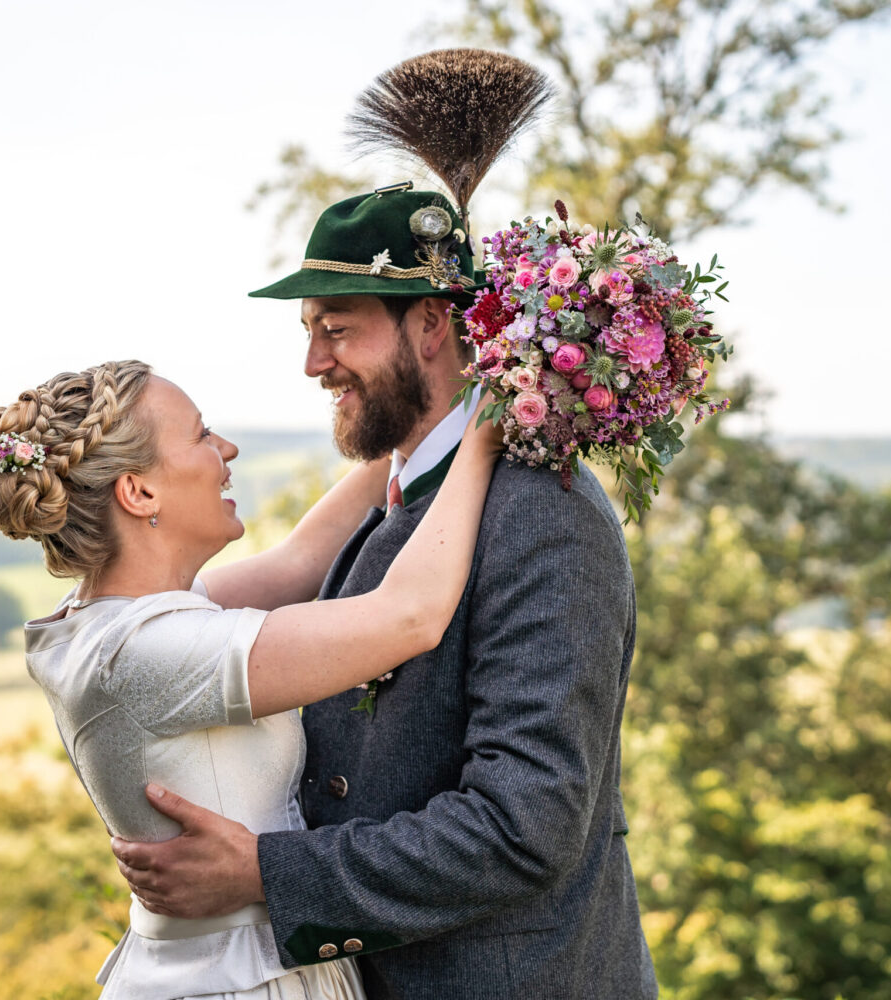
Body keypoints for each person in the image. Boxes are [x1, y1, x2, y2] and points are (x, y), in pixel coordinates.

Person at [108, 182, 659, 998]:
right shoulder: (400, 496)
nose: (313, 363)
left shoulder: (544, 511)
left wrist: (265, 872)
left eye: (335, 329)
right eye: (308, 332)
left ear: (433, 323)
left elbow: (524, 825)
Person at [0, 360, 503, 1000]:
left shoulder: (115, 622)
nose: (227, 449)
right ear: (138, 493)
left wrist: (425, 418)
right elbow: (410, 616)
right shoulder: (148, 653)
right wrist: (485, 430)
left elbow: (300, 561)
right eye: (200, 435)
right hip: (237, 981)